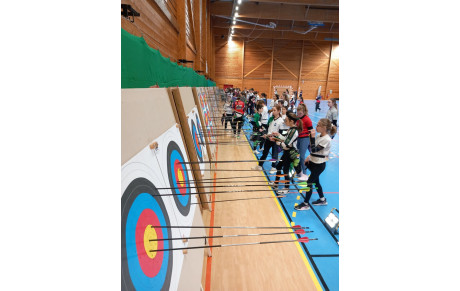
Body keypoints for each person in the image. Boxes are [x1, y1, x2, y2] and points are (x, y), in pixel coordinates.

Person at [294, 118, 336, 211]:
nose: (316, 127)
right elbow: (312, 151)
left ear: (324, 127)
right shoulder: (319, 136)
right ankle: (322, 199)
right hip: (313, 162)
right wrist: (308, 157)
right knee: (316, 182)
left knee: (309, 182)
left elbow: (314, 149)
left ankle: (306, 204)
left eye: (318, 125)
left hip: (319, 165)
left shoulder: (327, 139)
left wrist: (311, 137)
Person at [270, 111, 303, 194]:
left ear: (292, 121)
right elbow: (285, 139)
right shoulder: (290, 129)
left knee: (285, 170)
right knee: (279, 167)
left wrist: (276, 141)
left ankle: (286, 188)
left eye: (286, 120)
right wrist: (278, 135)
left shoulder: (293, 131)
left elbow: (285, 144)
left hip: (290, 153)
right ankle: (276, 183)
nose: (285, 122)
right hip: (287, 152)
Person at [252, 104, 284, 173]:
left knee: (274, 154)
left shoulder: (281, 121)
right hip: (268, 139)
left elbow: (280, 133)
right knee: (265, 153)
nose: (273, 111)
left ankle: (273, 167)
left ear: (279, 111)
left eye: (275, 110)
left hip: (275, 140)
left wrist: (275, 138)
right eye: (273, 110)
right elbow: (268, 128)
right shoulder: (271, 118)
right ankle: (259, 166)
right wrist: (266, 135)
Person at [296, 104, 314, 181]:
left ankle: (305, 173)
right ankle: (299, 171)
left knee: (302, 156)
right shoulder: (297, 118)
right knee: (297, 155)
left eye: (300, 113)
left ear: (304, 112)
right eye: (298, 113)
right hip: (298, 138)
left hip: (305, 138)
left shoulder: (307, 119)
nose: (299, 115)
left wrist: (311, 143)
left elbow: (311, 131)